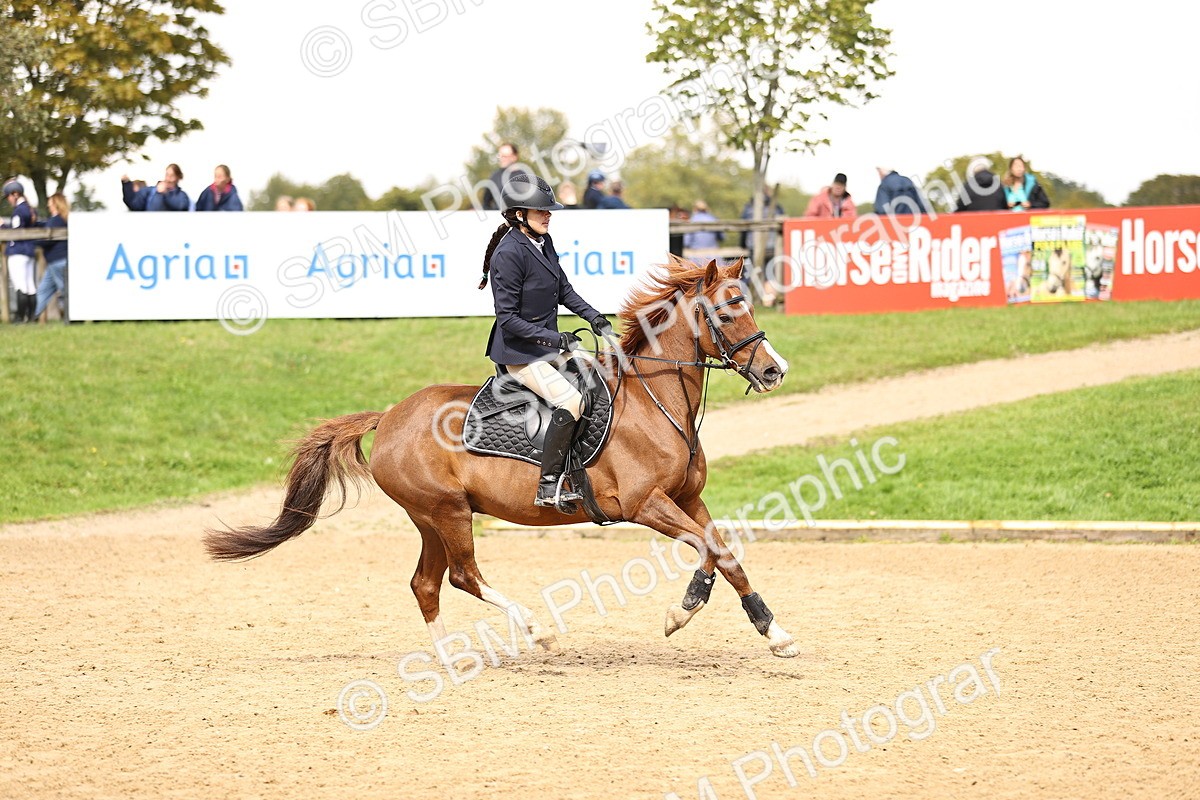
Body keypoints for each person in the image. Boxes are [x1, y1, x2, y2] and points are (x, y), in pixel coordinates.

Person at [478, 173, 613, 508]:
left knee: (599, 384)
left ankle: (580, 469)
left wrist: (594, 316)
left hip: (546, 347)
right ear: (519, 214)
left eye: (548, 210)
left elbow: (564, 290)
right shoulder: (508, 254)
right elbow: (508, 320)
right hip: (521, 354)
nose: (548, 215)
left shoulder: (543, 242)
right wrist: (555, 339)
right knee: (570, 401)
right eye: (541, 211)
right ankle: (548, 485)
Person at [3, 179, 38, 322]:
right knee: (30, 286)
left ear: (15, 194)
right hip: (29, 251)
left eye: (9, 197)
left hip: (18, 251)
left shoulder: (19, 211)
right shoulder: (30, 209)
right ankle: (31, 317)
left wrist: (3, 227)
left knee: (20, 285)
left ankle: (19, 317)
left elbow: (16, 232)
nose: (9, 200)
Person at [34, 193, 69, 323]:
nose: (48, 204)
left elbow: (46, 240)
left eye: (50, 202)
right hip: (54, 262)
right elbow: (45, 225)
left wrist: (33, 241)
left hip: (57, 261)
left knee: (64, 290)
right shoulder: (61, 219)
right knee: (43, 289)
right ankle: (36, 316)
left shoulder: (56, 220)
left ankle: (71, 317)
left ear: (55, 203)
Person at [122, 163, 189, 211]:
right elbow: (133, 204)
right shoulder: (151, 191)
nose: (168, 179)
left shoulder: (182, 195)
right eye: (167, 175)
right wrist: (127, 184)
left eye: (172, 176)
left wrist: (166, 194)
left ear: (178, 177)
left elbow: (181, 207)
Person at [481, 143, 528, 210]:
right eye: (500, 156)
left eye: (505, 156)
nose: (502, 159)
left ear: (514, 157)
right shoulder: (494, 177)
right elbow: (486, 203)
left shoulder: (524, 176)